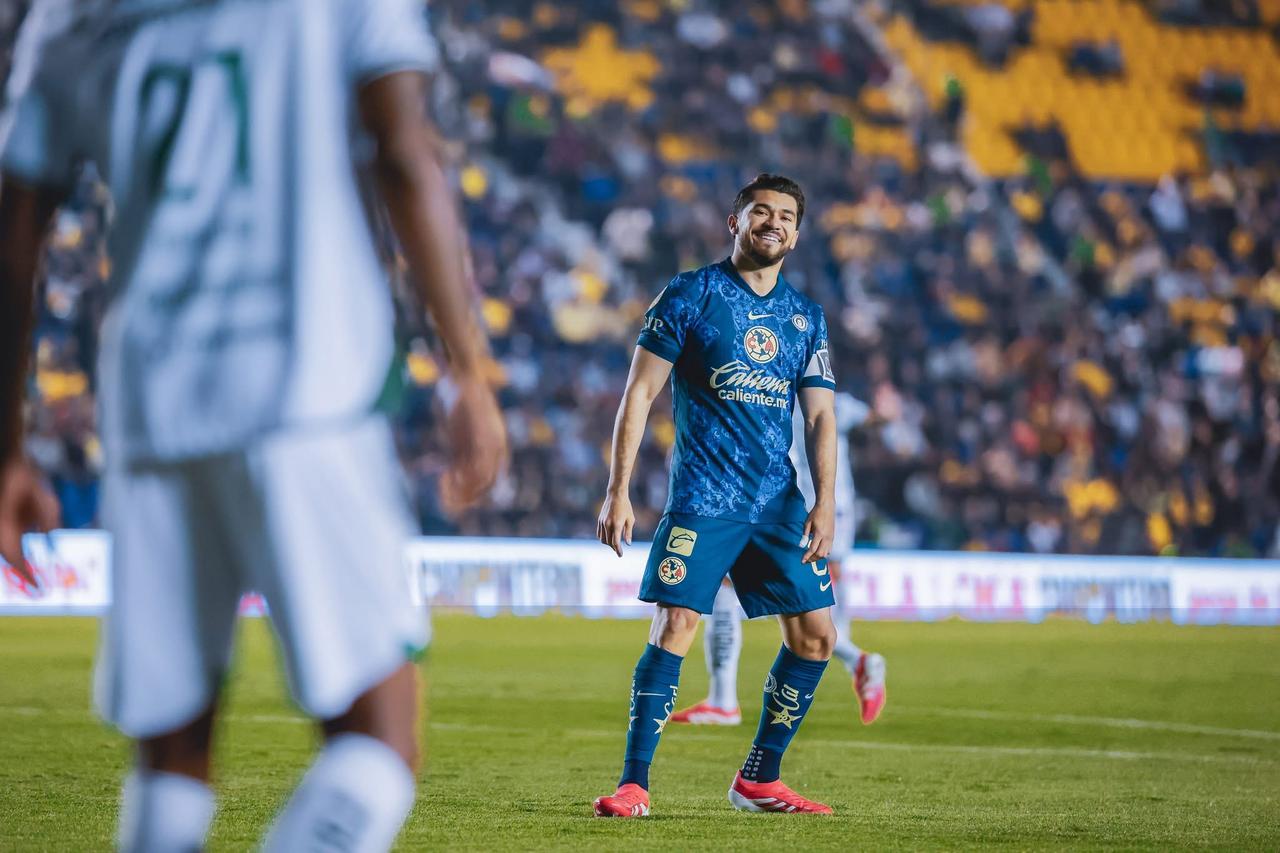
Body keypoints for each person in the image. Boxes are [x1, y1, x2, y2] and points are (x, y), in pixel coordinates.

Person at [0, 1, 507, 850]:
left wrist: (7, 448)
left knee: (171, 749)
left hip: (149, 399)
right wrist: (466, 364)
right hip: (306, 387)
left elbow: (16, 228)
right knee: (377, 743)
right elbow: (402, 152)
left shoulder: (65, 11)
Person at [594, 173, 839, 817]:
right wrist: (618, 490)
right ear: (736, 222)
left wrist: (825, 501)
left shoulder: (806, 318)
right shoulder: (691, 293)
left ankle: (759, 779)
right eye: (761, 211)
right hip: (705, 497)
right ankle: (634, 785)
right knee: (676, 623)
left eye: (786, 216)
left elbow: (820, 416)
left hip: (778, 504)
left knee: (817, 637)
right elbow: (640, 391)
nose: (774, 223)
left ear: (797, 233)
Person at [670, 392, 887, 728]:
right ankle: (723, 700)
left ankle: (856, 661)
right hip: (802, 506)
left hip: (794, 508)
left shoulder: (786, 392)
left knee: (785, 601)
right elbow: (872, 419)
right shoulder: (820, 397)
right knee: (755, 592)